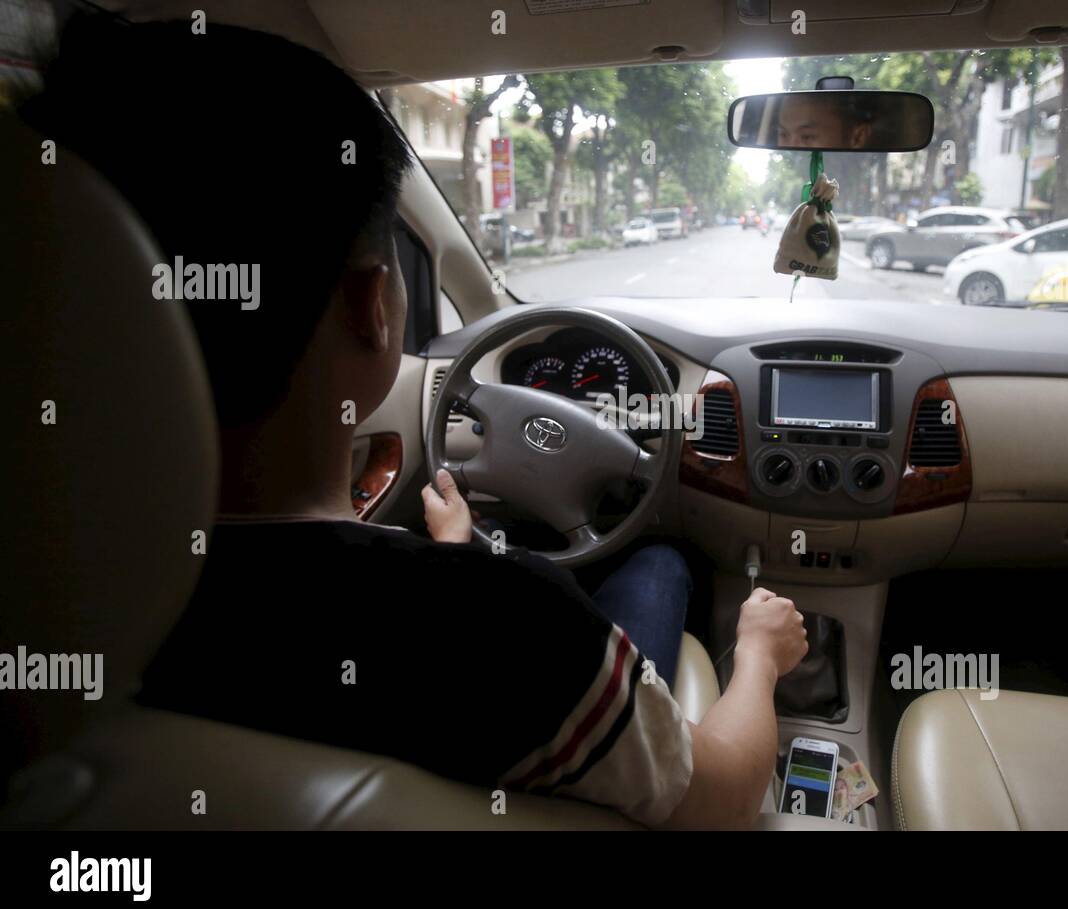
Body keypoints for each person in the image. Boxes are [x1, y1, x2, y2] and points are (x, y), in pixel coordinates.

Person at [22, 16, 808, 829]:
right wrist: (758, 653)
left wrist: (451, 560)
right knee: (660, 563)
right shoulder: (503, 627)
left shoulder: (45, 594)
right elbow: (718, 798)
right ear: (372, 307)